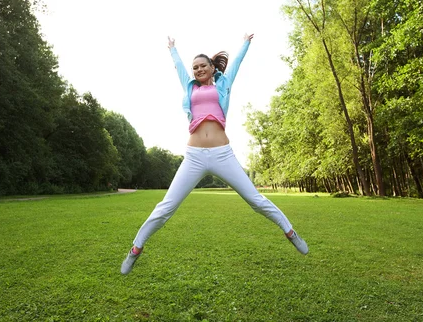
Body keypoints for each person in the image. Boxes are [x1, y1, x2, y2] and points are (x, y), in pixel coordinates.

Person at [121, 34, 308, 275]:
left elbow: (238, 62)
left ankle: (291, 233)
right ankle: (136, 249)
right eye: (195, 67)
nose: (198, 70)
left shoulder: (223, 83)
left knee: (256, 200)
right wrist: (172, 49)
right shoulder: (190, 86)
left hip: (223, 154)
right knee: (166, 207)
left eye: (202, 66)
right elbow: (178, 68)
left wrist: (245, 43)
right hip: (194, 156)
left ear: (211, 68)